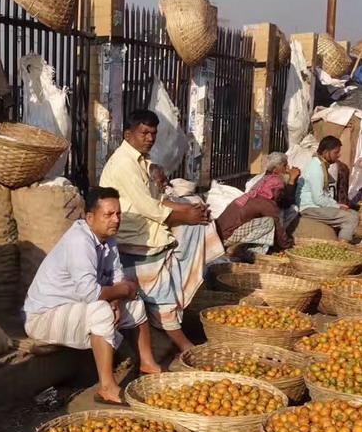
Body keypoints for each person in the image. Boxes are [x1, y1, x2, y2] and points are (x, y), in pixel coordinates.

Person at [23, 187, 161, 405]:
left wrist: (117, 298)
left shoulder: (108, 239)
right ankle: (106, 387)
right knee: (101, 311)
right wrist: (122, 291)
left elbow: (116, 278)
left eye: (118, 214)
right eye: (108, 214)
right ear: (89, 217)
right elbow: (92, 293)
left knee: (135, 305)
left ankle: (147, 364)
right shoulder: (80, 242)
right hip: (44, 317)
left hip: (77, 307)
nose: (116, 219)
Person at [101, 110, 223, 353]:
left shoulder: (141, 161)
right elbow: (149, 206)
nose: (150, 138)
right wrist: (185, 215)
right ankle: (184, 345)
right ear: (128, 134)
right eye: (144, 133)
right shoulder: (124, 164)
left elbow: (156, 199)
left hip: (143, 222)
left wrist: (188, 210)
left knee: (196, 216)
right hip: (134, 232)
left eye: (153, 133)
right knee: (162, 288)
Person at [215, 152, 300, 252]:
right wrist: (287, 246)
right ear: (275, 169)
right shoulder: (266, 202)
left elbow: (284, 202)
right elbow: (278, 226)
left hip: (219, 233)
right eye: (285, 165)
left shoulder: (261, 185)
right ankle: (246, 251)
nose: (287, 168)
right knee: (269, 222)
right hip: (226, 237)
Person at [296, 136, 360, 241]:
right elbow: (318, 198)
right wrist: (337, 206)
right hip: (310, 208)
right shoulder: (316, 168)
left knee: (353, 213)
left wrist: (338, 205)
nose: (338, 155)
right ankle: (343, 245)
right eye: (336, 152)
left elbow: (325, 193)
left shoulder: (322, 166)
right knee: (351, 218)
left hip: (316, 206)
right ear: (326, 152)